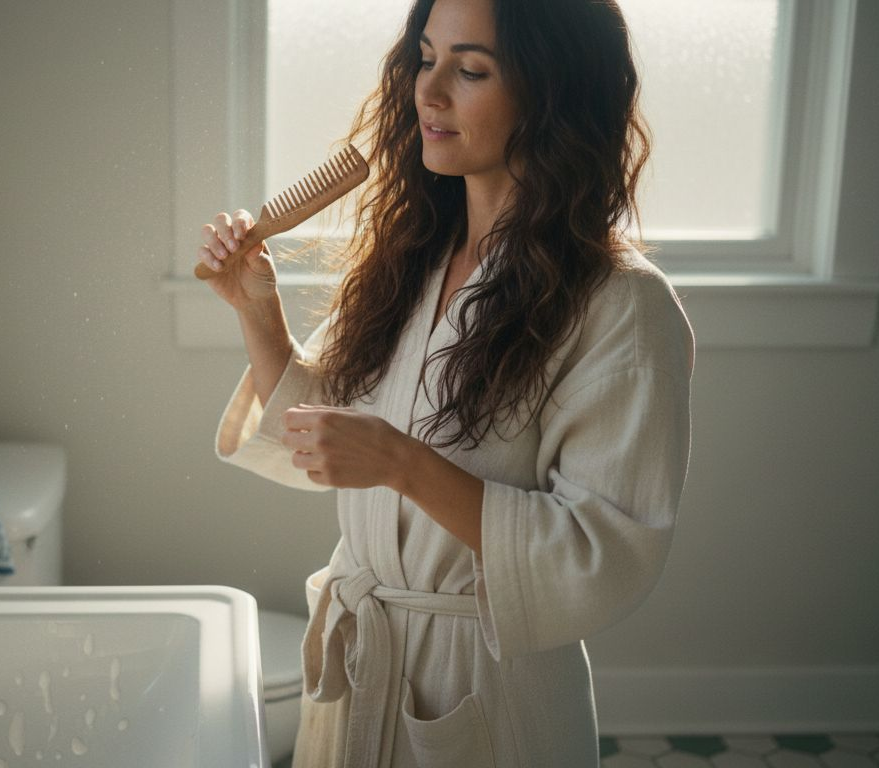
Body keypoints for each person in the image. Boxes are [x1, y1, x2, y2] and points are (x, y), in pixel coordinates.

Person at [199, 0, 694, 764]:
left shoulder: (622, 306)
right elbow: (330, 438)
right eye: (424, 59)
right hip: (365, 667)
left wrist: (404, 466)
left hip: (487, 692)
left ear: (554, 92)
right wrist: (258, 313)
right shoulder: (414, 258)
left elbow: (603, 550)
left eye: (470, 70)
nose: (427, 92)